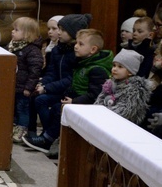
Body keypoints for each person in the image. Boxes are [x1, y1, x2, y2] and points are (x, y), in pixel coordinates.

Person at [23, 28, 113, 158]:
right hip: (76, 98)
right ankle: (49, 138)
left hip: (87, 104)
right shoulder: (84, 63)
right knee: (54, 108)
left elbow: (95, 95)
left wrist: (73, 101)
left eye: (81, 44)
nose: (75, 47)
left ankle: (47, 139)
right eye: (76, 43)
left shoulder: (97, 69)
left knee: (59, 110)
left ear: (93, 50)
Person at [24, 14, 89, 153]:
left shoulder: (76, 53)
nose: (58, 32)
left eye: (62, 29)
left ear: (73, 33)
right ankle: (37, 134)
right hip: (58, 88)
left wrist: (47, 88)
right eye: (57, 29)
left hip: (69, 91)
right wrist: (43, 85)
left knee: (43, 101)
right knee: (35, 96)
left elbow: (70, 79)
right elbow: (51, 73)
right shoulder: (56, 50)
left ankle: (48, 137)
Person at [8, 17, 44, 144]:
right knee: (13, 108)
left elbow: (35, 71)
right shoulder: (14, 46)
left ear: (27, 34)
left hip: (24, 87)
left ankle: (21, 130)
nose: (13, 32)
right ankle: (12, 127)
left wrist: (29, 87)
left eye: (16, 30)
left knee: (22, 109)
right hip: (14, 85)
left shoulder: (32, 50)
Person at [94, 49, 150, 125]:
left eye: (120, 67)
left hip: (121, 124)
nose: (114, 69)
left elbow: (125, 111)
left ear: (130, 72)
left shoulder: (135, 89)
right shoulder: (110, 83)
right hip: (104, 117)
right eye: (114, 65)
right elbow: (100, 99)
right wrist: (96, 112)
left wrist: (104, 115)